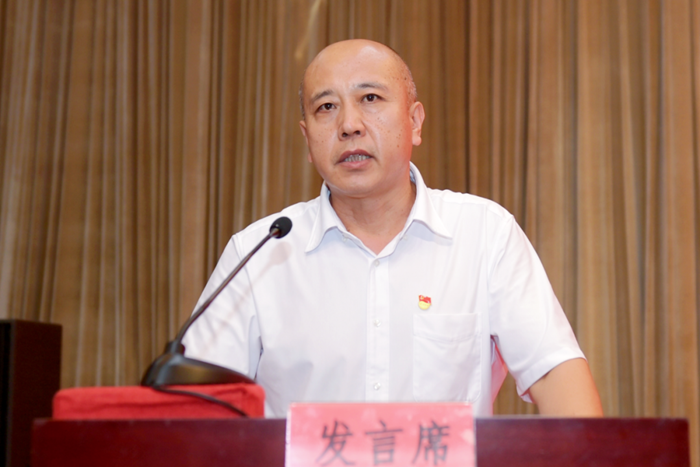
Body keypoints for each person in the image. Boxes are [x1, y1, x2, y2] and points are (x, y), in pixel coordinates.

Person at [183, 39, 603, 418]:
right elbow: (196, 408)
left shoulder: (484, 234)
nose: (349, 125)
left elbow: (556, 378)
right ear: (307, 138)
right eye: (326, 107)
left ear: (414, 122)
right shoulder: (260, 252)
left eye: (370, 98)